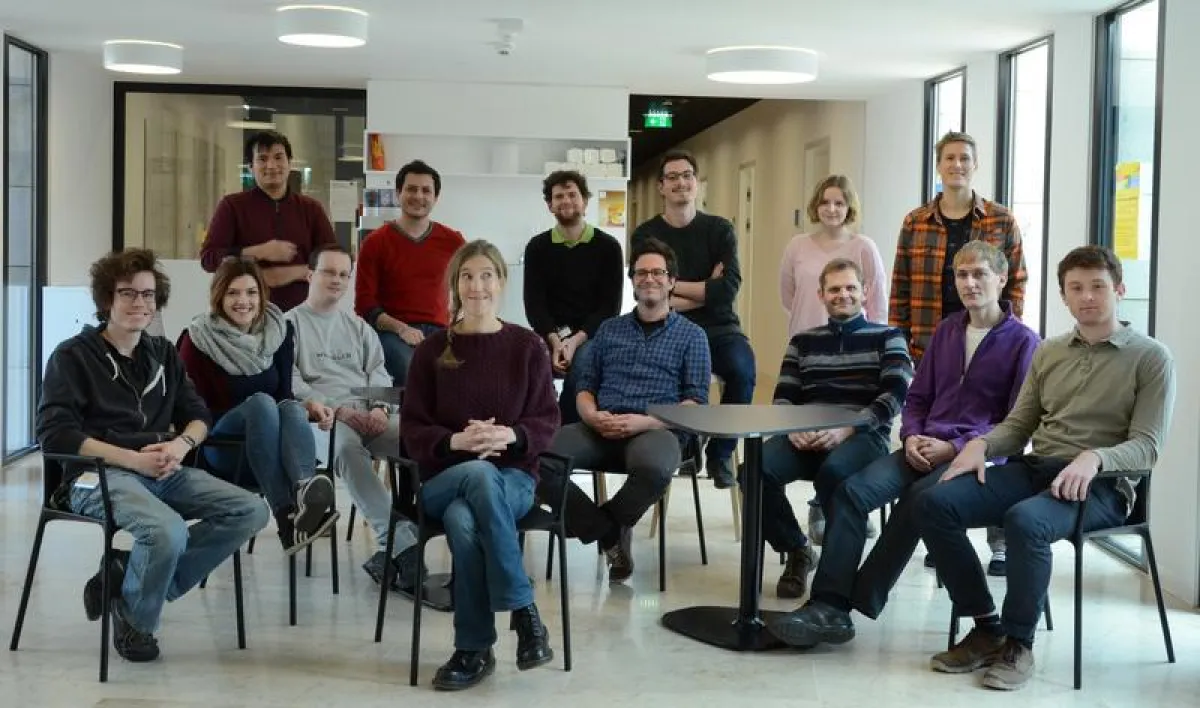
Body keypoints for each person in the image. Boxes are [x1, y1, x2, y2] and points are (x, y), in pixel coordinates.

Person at [920, 245, 1175, 691]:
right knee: (935, 501)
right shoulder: (1049, 351)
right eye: (1076, 288)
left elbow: (1148, 447)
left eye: (1098, 286)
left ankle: (1019, 644)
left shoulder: (1151, 358)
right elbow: (1019, 425)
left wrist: (1096, 457)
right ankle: (985, 626)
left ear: (1119, 289)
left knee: (1026, 521)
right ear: (1063, 296)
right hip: (1037, 469)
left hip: (1104, 488)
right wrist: (981, 444)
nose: (1088, 296)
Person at [769, 241, 1040, 647]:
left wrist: (956, 446)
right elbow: (916, 398)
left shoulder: (1024, 342)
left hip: (976, 457)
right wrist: (912, 435)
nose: (969, 283)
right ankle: (828, 603)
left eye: (979, 274)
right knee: (851, 492)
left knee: (917, 503)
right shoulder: (947, 331)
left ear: (1001, 279)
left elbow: (1018, 422)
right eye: (961, 275)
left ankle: (844, 604)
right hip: (920, 445)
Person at [36, 248, 269, 663]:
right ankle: (138, 625)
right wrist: (132, 460)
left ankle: (130, 575)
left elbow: (198, 416)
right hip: (95, 475)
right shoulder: (72, 356)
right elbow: (56, 435)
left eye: (147, 295)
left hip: (163, 469)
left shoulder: (162, 354)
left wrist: (181, 445)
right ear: (107, 299)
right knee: (167, 530)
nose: (139, 303)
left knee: (249, 510)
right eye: (128, 293)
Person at [402, 240, 560, 691]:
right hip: (442, 479)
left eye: (486, 275)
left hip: (514, 478)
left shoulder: (527, 347)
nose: (477, 286)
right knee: (474, 472)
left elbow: (548, 421)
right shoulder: (432, 351)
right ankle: (523, 610)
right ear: (455, 284)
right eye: (467, 276)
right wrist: (457, 440)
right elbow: (412, 430)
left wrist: (509, 435)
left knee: (464, 519)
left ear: (501, 282)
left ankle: (473, 650)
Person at [890, 130, 1027, 571]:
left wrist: (1001, 332)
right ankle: (941, 526)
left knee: (1001, 429)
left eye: (965, 158)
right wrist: (901, 341)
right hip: (935, 342)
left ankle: (1000, 540)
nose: (957, 165)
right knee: (938, 427)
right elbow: (901, 286)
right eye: (949, 158)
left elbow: (1017, 279)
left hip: (990, 338)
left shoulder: (1001, 220)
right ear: (939, 165)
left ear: (975, 164)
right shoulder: (915, 221)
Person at [537, 237, 711, 583]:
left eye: (658, 272)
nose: (649, 278)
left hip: (656, 428)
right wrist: (589, 414)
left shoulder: (693, 336)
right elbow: (585, 386)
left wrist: (645, 421)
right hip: (600, 425)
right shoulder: (609, 330)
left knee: (656, 469)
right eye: (641, 272)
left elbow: (695, 404)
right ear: (632, 280)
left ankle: (611, 523)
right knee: (536, 458)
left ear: (672, 281)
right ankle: (606, 531)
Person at [754, 258, 912, 600]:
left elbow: (895, 395)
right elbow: (784, 395)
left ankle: (832, 579)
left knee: (836, 471)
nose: (843, 295)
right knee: (753, 470)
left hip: (862, 437)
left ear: (865, 292)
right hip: (804, 435)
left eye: (851, 288)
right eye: (835, 289)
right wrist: (790, 428)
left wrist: (847, 429)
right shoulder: (803, 341)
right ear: (821, 295)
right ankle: (797, 551)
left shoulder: (889, 337)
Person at [178, 257, 339, 556]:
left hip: (269, 458)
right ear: (219, 296)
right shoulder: (197, 339)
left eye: (251, 292)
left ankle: (302, 492)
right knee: (262, 404)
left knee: (290, 407)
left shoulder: (279, 331)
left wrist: (309, 405)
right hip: (222, 450)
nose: (243, 301)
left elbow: (284, 396)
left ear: (261, 295)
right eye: (233, 293)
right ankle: (286, 513)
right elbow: (190, 410)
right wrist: (256, 413)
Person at [287, 245, 421, 593]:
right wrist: (341, 409)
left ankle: (425, 530)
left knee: (423, 436)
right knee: (345, 449)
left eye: (343, 274)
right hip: (323, 418)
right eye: (328, 272)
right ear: (309, 275)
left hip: (369, 414)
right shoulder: (289, 325)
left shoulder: (359, 328)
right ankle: (400, 540)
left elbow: (379, 373)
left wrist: (380, 408)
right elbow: (291, 382)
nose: (336, 280)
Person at [630, 150, 750, 489]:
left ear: (696, 184)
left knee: (743, 371)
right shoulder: (646, 235)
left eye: (687, 176)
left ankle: (721, 453)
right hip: (667, 328)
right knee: (665, 381)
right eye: (672, 177)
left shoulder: (719, 229)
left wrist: (670, 287)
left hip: (720, 326)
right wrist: (703, 288)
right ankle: (686, 446)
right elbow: (647, 290)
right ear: (661, 187)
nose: (681, 182)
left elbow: (726, 290)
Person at [780, 173, 888, 545]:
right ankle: (821, 522)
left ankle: (832, 505)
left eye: (839, 202)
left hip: (856, 345)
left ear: (849, 207)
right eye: (825, 202)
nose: (831, 208)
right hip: (810, 345)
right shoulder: (797, 245)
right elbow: (788, 294)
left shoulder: (864, 246)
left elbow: (877, 298)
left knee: (841, 436)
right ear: (816, 205)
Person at [523, 169, 624, 425]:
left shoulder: (609, 247)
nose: (566, 200)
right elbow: (534, 305)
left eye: (572, 194)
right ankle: (534, 426)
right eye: (559, 196)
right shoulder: (537, 248)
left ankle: (561, 433)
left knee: (581, 365)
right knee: (527, 362)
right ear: (550, 205)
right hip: (549, 334)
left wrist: (575, 341)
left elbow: (609, 307)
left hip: (591, 335)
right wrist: (556, 341)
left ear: (585, 201)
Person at [200, 130, 338, 311]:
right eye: (262, 159)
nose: (271, 165)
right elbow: (209, 259)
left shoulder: (311, 209)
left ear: (290, 163)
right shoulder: (232, 206)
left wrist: (290, 273)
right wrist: (258, 252)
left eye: (278, 157)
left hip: (302, 314)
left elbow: (334, 262)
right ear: (250, 167)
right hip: (245, 314)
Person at [355, 159, 466, 384]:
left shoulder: (454, 241)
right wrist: (402, 329)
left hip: (440, 332)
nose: (419, 196)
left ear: (436, 197)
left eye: (426, 190)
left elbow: (469, 287)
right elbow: (364, 305)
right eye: (411, 189)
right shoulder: (375, 243)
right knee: (412, 370)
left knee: (461, 373)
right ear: (398, 193)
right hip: (392, 333)